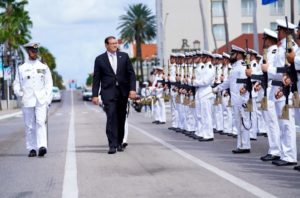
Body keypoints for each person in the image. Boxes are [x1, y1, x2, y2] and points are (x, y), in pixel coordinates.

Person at [92, 36, 136, 154]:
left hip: (123, 92)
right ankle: (112, 145)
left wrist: (132, 90)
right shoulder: (100, 59)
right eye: (112, 44)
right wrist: (95, 95)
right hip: (108, 93)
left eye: (116, 43)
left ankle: (120, 142)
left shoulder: (124, 57)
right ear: (106, 45)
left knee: (121, 118)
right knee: (111, 117)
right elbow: (96, 78)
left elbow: (131, 74)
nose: (115, 45)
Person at [13, 42, 53, 157]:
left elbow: (49, 84)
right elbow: (16, 84)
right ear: (28, 52)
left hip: (41, 100)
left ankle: (42, 146)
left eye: (36, 51)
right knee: (29, 125)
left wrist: (47, 99)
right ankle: (31, 148)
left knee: (41, 122)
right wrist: (20, 94)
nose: (34, 53)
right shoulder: (21, 68)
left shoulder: (43, 67)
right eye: (32, 51)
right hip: (27, 100)